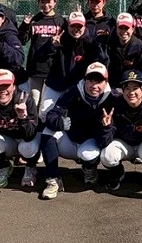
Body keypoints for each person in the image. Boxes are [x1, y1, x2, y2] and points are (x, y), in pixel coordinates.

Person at [40, 60, 116, 198]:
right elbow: (52, 115)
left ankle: (89, 169)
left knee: (89, 155)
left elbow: (105, 141)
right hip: (70, 140)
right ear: (84, 80)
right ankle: (53, 179)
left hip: (91, 143)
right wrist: (59, 123)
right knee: (48, 132)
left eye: (99, 81)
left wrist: (106, 127)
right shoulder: (73, 91)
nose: (94, 86)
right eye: (90, 80)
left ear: (106, 82)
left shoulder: (112, 98)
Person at [97, 68, 142, 191]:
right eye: (127, 88)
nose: (131, 92)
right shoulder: (115, 106)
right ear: (122, 91)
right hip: (125, 144)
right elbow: (104, 142)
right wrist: (106, 127)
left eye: (135, 88)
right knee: (107, 156)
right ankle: (117, 172)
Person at [0, 69, 40, 191]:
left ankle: (31, 166)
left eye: (6, 85)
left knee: (28, 147)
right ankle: (4, 166)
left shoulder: (25, 100)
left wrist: (23, 118)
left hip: (25, 139)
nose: (2, 90)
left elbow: (30, 135)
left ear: (14, 86)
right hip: (8, 140)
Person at [42, 11, 107, 109]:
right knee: (45, 112)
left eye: (79, 26)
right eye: (73, 26)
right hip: (56, 83)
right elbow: (41, 57)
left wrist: (102, 43)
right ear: (68, 26)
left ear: (84, 26)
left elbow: (103, 61)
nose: (76, 29)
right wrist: (51, 45)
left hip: (79, 85)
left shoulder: (91, 42)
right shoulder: (59, 38)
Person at [18, 0, 66, 114]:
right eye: (42, 2)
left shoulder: (61, 21)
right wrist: (24, 25)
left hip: (54, 69)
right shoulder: (34, 19)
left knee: (49, 104)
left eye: (49, 1)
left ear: (55, 2)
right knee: (34, 101)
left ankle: (47, 124)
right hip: (36, 68)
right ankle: (34, 125)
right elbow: (22, 40)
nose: (45, 4)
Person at [106, 12, 142, 87]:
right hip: (113, 85)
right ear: (116, 28)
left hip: (132, 85)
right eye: (121, 27)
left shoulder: (140, 47)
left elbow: (141, 71)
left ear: (133, 28)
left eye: (126, 28)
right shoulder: (110, 44)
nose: (123, 31)